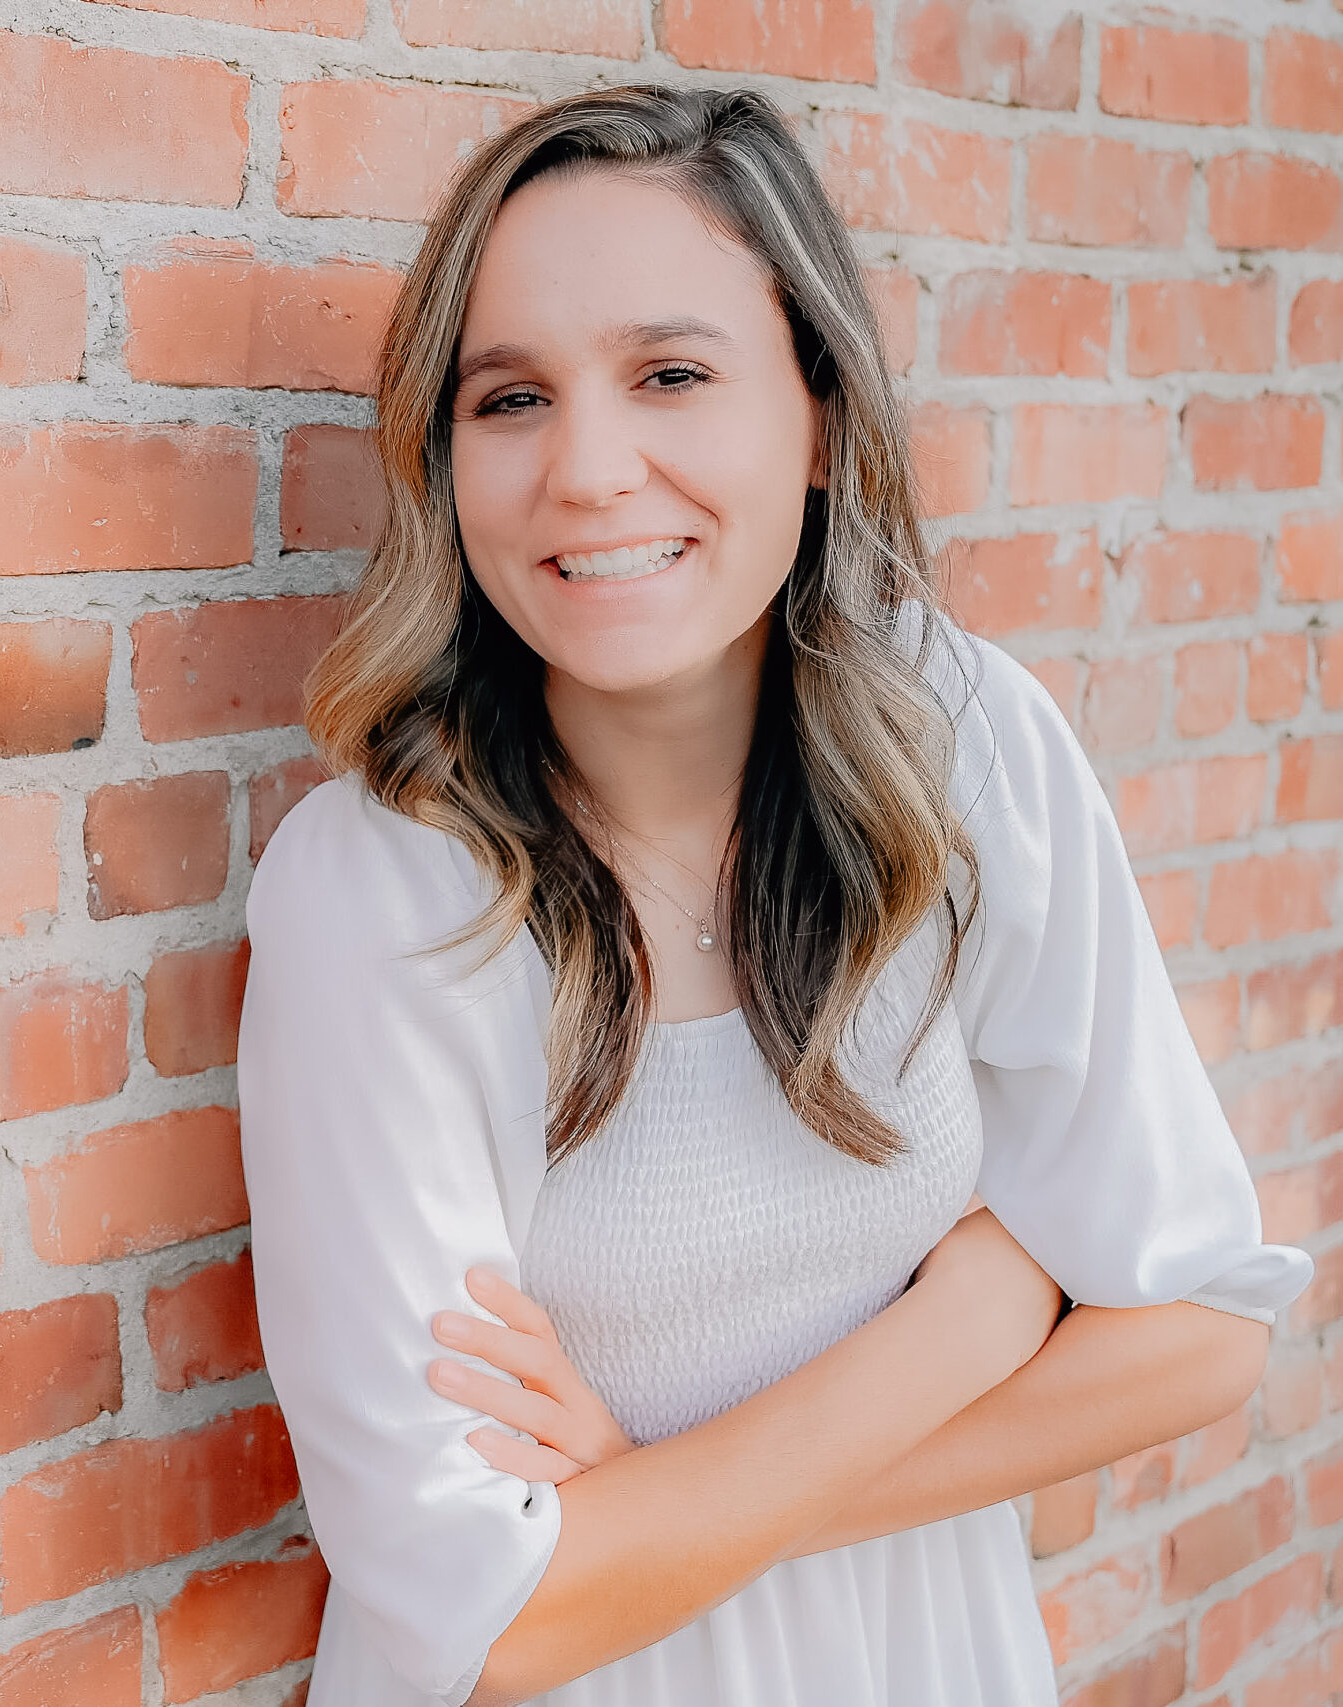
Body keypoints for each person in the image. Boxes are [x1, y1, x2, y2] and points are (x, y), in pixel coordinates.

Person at [235, 83, 1313, 1707]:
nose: (590, 471)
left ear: (815, 416)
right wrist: (981, 1310)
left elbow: (1202, 1322)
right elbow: (483, 1622)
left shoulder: (964, 747)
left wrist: (658, 1494)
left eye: (671, 374)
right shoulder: (387, 890)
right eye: (509, 398)